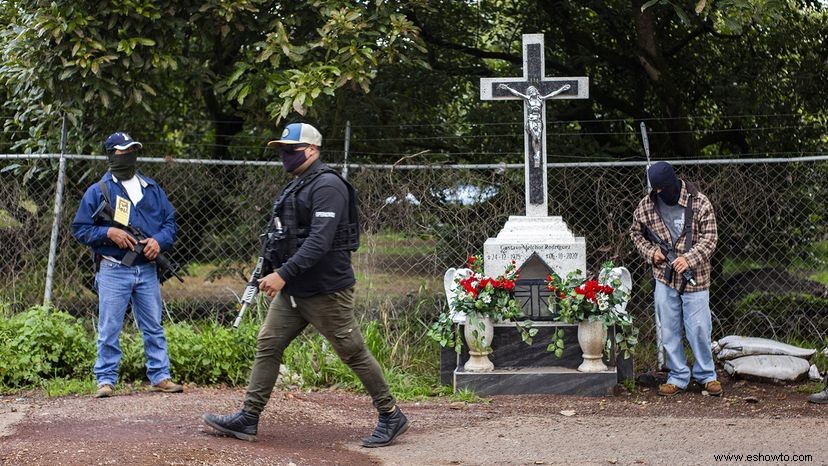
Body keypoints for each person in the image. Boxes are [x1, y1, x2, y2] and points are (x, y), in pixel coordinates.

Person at [202, 122, 409, 447]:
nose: (285, 155)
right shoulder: (299, 185)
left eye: (291, 149)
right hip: (295, 290)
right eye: (281, 150)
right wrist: (270, 269)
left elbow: (319, 241)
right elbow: (285, 236)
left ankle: (391, 414)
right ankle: (248, 417)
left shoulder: (327, 186)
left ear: (311, 150)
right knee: (268, 344)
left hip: (326, 290)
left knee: (352, 352)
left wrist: (282, 274)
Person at [72, 132, 182, 398]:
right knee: (110, 327)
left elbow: (171, 224)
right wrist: (109, 233)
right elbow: (80, 229)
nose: (129, 155)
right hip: (113, 269)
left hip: (146, 269)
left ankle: (160, 376)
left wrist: (159, 241)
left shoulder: (152, 189)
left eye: (133, 150)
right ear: (111, 155)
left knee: (153, 325)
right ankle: (106, 380)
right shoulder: (98, 192)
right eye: (122, 152)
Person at [629, 161, 722, 397]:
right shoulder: (647, 206)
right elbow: (636, 234)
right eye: (656, 189)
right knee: (669, 328)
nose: (660, 194)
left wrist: (688, 259)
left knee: (699, 327)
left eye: (663, 189)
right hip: (663, 277)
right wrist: (653, 254)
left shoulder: (699, 202)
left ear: (673, 182)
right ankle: (678, 376)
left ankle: (706, 375)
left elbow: (710, 239)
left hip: (696, 277)